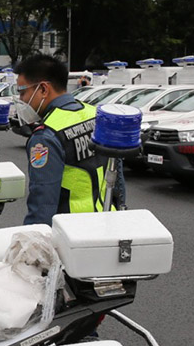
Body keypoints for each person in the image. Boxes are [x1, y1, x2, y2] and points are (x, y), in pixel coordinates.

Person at [13, 54, 125, 226]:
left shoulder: (45, 137)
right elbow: (118, 177)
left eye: (22, 92)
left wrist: (31, 244)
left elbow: (42, 204)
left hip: (72, 234)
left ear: (43, 89)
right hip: (109, 223)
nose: (21, 100)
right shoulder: (96, 115)